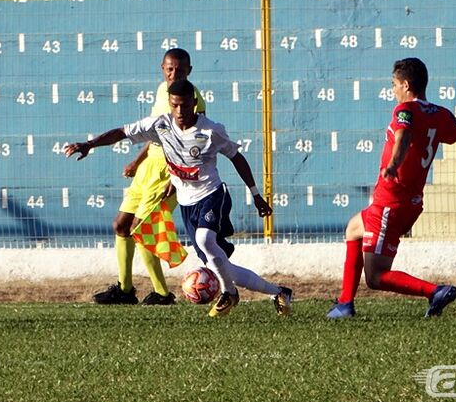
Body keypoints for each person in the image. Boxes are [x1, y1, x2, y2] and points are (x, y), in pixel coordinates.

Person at [65, 79, 293, 317]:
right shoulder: (161, 125)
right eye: (175, 106)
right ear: (170, 104)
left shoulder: (210, 130)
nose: (180, 111)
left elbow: (237, 157)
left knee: (205, 240)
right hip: (187, 203)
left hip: (212, 195)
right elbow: (122, 132)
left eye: (185, 105)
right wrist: (90, 144)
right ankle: (278, 292)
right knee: (218, 264)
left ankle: (229, 293)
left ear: (194, 104)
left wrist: (256, 195)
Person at [327, 57, 456, 319]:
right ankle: (344, 304)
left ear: (406, 85)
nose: (393, 90)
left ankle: (435, 291)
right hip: (410, 202)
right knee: (354, 228)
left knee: (376, 277)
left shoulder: (405, 111)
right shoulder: (440, 114)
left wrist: (393, 163)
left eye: (394, 84)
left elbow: (404, 136)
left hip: (391, 200)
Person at [92, 48, 206, 306]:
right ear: (162, 68)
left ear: (189, 70)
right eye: (169, 68)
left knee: (141, 229)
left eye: (179, 69)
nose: (173, 73)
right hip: (149, 167)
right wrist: (138, 160)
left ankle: (163, 294)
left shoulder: (193, 100)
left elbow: (196, 145)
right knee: (121, 225)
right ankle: (125, 289)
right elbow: (158, 133)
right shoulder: (161, 91)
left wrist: (175, 179)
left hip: (170, 170)